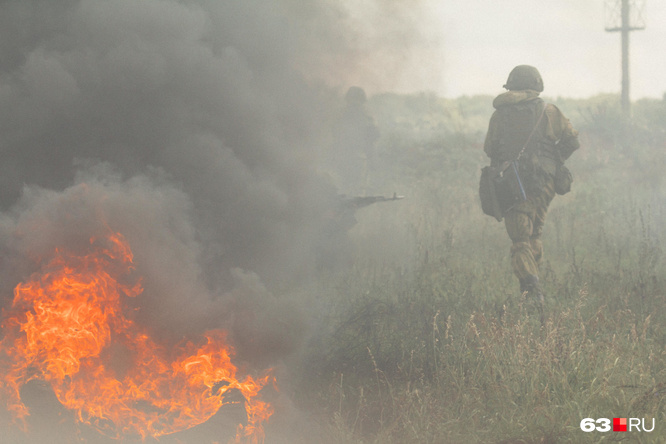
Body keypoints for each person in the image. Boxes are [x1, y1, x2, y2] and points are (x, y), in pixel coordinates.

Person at [483, 65, 580, 303]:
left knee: (520, 240)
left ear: (511, 85)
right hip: (545, 183)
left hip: (513, 183)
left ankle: (531, 290)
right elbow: (571, 140)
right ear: (537, 84)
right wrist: (553, 160)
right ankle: (534, 286)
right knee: (535, 231)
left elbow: (490, 149)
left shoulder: (500, 114)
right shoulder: (549, 111)